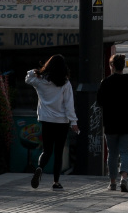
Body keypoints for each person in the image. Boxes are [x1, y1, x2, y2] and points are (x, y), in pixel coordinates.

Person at [25, 54, 79, 190]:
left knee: (47, 150)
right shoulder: (65, 83)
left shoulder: (40, 81)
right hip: (62, 121)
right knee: (59, 152)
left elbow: (28, 78)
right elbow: (69, 104)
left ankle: (39, 168)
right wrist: (74, 122)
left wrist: (36, 71)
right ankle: (56, 182)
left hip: (46, 120)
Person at [96, 53, 128, 193]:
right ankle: (123, 178)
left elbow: (99, 101)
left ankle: (112, 182)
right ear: (123, 66)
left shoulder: (106, 82)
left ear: (112, 66)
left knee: (112, 153)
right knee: (125, 152)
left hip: (111, 122)